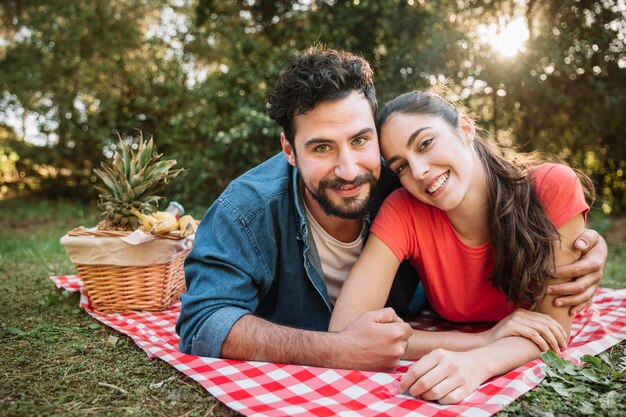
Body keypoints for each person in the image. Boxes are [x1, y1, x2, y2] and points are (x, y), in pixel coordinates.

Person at [176, 46, 606, 371]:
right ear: (289, 149)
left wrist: (581, 244)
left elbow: (497, 202)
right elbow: (203, 322)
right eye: (321, 147)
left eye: (361, 140)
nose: (348, 168)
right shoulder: (246, 211)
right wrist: (337, 350)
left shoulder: (405, 183)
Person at [329, 89, 598, 403]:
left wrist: (479, 363)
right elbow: (346, 331)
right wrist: (483, 340)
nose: (418, 171)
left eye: (426, 143)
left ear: (465, 129)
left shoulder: (552, 186)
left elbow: (553, 328)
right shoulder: (403, 209)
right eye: (401, 166)